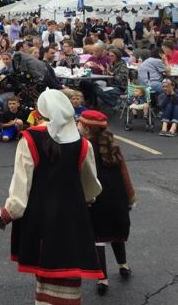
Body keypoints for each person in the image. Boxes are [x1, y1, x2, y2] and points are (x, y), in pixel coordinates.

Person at [0, 89, 103, 305]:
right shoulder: (82, 143)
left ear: (41, 110)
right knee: (68, 270)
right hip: (73, 216)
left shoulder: (29, 139)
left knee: (46, 271)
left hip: (41, 216)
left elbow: (21, 187)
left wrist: (7, 214)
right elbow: (91, 187)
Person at [77, 110, 136, 296]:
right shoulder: (113, 145)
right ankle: (123, 265)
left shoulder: (83, 147)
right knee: (116, 233)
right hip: (117, 197)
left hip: (97, 198)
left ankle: (102, 279)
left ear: (87, 127)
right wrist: (130, 196)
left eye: (79, 123)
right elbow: (124, 173)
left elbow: (82, 177)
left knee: (99, 239)